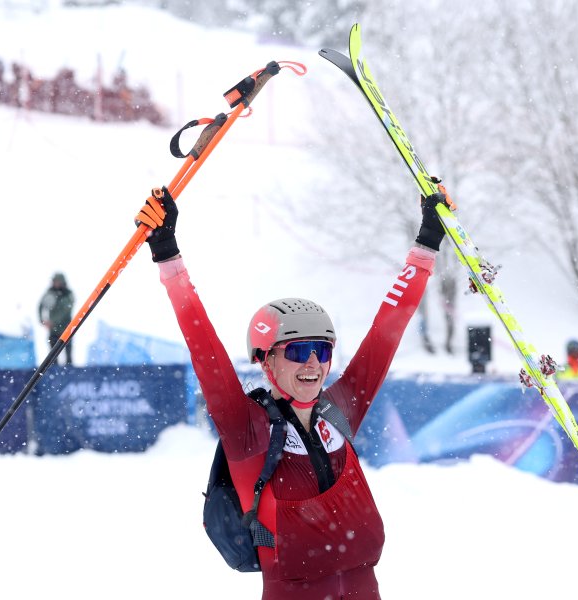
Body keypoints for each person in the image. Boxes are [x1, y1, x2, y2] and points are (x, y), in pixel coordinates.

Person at [137, 185, 449, 599]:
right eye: (299, 351)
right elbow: (204, 348)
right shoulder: (247, 428)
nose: (313, 364)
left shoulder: (339, 410)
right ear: (266, 361)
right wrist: (167, 254)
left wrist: (427, 242)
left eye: (322, 350)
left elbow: (387, 329)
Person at [38, 272, 75, 365]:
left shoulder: (68, 294)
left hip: (66, 328)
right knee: (53, 356)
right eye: (54, 281)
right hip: (53, 330)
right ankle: (55, 371)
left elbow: (66, 310)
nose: (56, 283)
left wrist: (53, 322)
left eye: (58, 281)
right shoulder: (50, 293)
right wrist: (42, 320)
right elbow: (40, 306)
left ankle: (69, 371)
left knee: (68, 355)